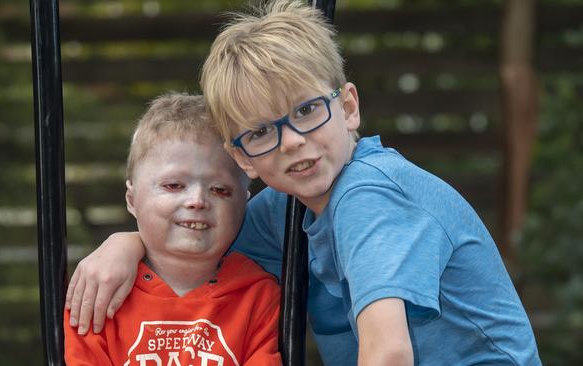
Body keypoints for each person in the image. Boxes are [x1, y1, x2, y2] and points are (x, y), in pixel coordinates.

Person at [66, 1, 542, 365]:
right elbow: (190, 241)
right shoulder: (287, 207)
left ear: (349, 106)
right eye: (260, 132)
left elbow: (388, 353)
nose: (291, 142)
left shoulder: (368, 194)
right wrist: (124, 243)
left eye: (307, 110)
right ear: (243, 159)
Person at [63, 93, 282, 366]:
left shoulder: (257, 294)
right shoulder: (101, 290)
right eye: (174, 185)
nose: (198, 201)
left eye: (220, 190)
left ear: (243, 205)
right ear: (132, 199)